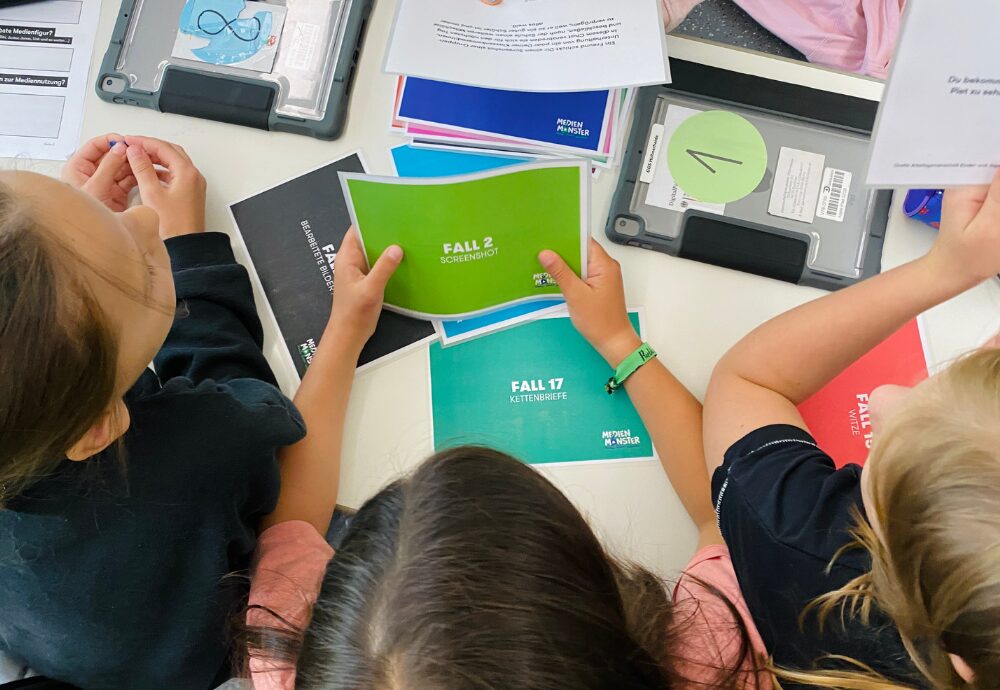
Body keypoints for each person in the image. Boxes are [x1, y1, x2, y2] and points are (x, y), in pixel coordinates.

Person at [244, 234, 772, 689]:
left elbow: (291, 523)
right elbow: (724, 510)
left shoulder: (288, 657)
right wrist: (619, 340)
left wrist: (344, 329)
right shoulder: (711, 667)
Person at [0, 134, 305, 688]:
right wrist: (188, 247)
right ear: (99, 428)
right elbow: (260, 406)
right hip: (208, 661)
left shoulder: (31, 425)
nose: (144, 220)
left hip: (75, 653)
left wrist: (59, 245)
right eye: (143, 268)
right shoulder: (206, 446)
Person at [703, 174, 1000, 688]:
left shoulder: (806, 556)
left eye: (886, 467)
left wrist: (946, 269)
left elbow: (748, 381)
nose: (882, 397)